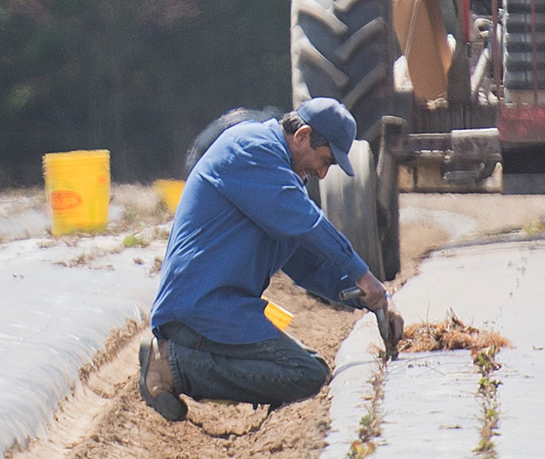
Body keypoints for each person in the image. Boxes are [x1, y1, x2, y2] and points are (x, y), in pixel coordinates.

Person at [139, 98, 403, 422]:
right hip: (199, 306)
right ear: (302, 135)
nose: (321, 173)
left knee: (308, 369)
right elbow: (309, 223)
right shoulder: (251, 148)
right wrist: (364, 275)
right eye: (324, 161)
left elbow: (308, 266)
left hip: (225, 308)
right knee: (304, 373)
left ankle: (180, 361)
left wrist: (373, 301)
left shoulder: (281, 177)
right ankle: (173, 365)